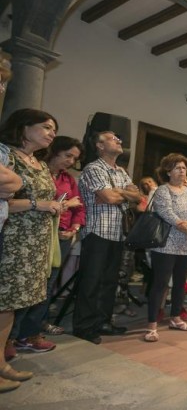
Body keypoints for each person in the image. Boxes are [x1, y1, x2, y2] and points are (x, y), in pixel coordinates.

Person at [0, 110, 54, 391]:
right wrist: (38, 205)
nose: (51, 133)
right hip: (10, 236)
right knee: (1, 301)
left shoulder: (39, 163)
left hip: (33, 240)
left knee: (9, 305)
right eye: (45, 127)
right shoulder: (6, 155)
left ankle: (1, 363)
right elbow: (7, 202)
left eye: (54, 129)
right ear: (24, 127)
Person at [73, 131, 140, 345]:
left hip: (118, 232)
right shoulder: (93, 168)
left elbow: (137, 198)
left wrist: (115, 194)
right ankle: (84, 326)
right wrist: (117, 194)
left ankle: (103, 321)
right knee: (91, 281)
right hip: (97, 231)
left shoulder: (121, 171)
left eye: (119, 139)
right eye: (113, 139)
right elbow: (110, 197)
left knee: (110, 281)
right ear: (100, 146)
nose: (119, 141)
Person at [143, 154, 187, 342]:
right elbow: (167, 213)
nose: (183, 170)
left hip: (185, 246)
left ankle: (175, 317)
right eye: (178, 167)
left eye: (184, 167)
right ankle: (152, 326)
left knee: (180, 284)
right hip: (166, 245)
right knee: (160, 285)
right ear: (168, 171)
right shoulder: (162, 191)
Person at [41, 136, 85, 336]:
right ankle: (19, 331)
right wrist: (66, 205)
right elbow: (42, 205)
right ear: (55, 150)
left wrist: (74, 228)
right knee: (36, 282)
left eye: (74, 158)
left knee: (50, 283)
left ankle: (41, 324)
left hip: (64, 236)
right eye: (68, 156)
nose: (71, 162)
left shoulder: (67, 178)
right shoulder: (41, 173)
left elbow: (80, 208)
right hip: (43, 233)